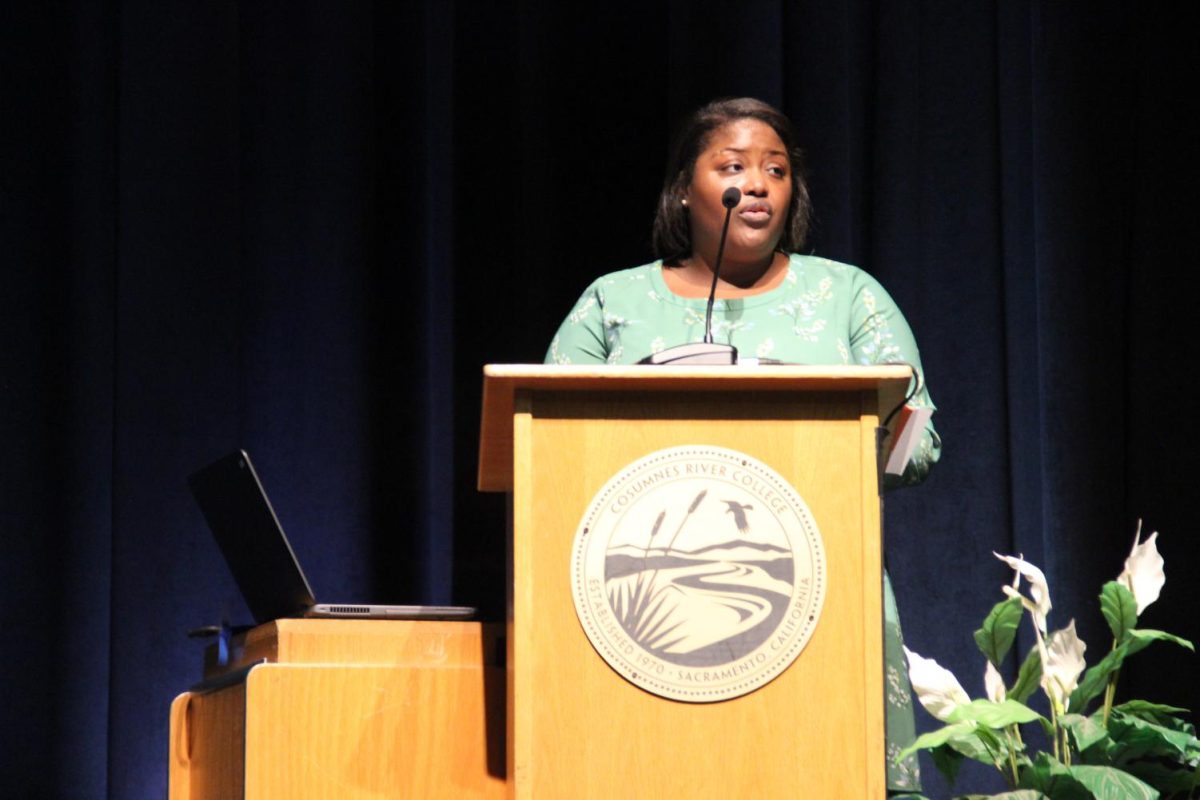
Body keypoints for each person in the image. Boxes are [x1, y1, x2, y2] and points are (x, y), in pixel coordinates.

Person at [545, 97, 940, 795]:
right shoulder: (613, 303)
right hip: (641, 622)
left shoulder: (849, 297)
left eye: (776, 170)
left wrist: (863, 434)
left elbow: (921, 444)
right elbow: (543, 445)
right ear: (684, 189)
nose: (756, 184)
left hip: (824, 606)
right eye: (732, 166)